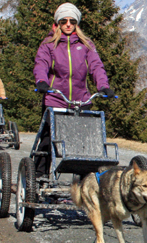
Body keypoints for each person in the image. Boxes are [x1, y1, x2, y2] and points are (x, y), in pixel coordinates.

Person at [32, 2, 114, 177]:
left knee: (87, 144)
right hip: (55, 98)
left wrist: (103, 86)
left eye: (72, 21)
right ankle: (39, 179)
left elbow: (96, 66)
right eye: (63, 21)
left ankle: (87, 184)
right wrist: (41, 81)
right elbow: (41, 64)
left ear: (76, 23)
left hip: (81, 99)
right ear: (58, 23)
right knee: (48, 140)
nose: (68, 24)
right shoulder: (48, 44)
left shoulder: (86, 45)